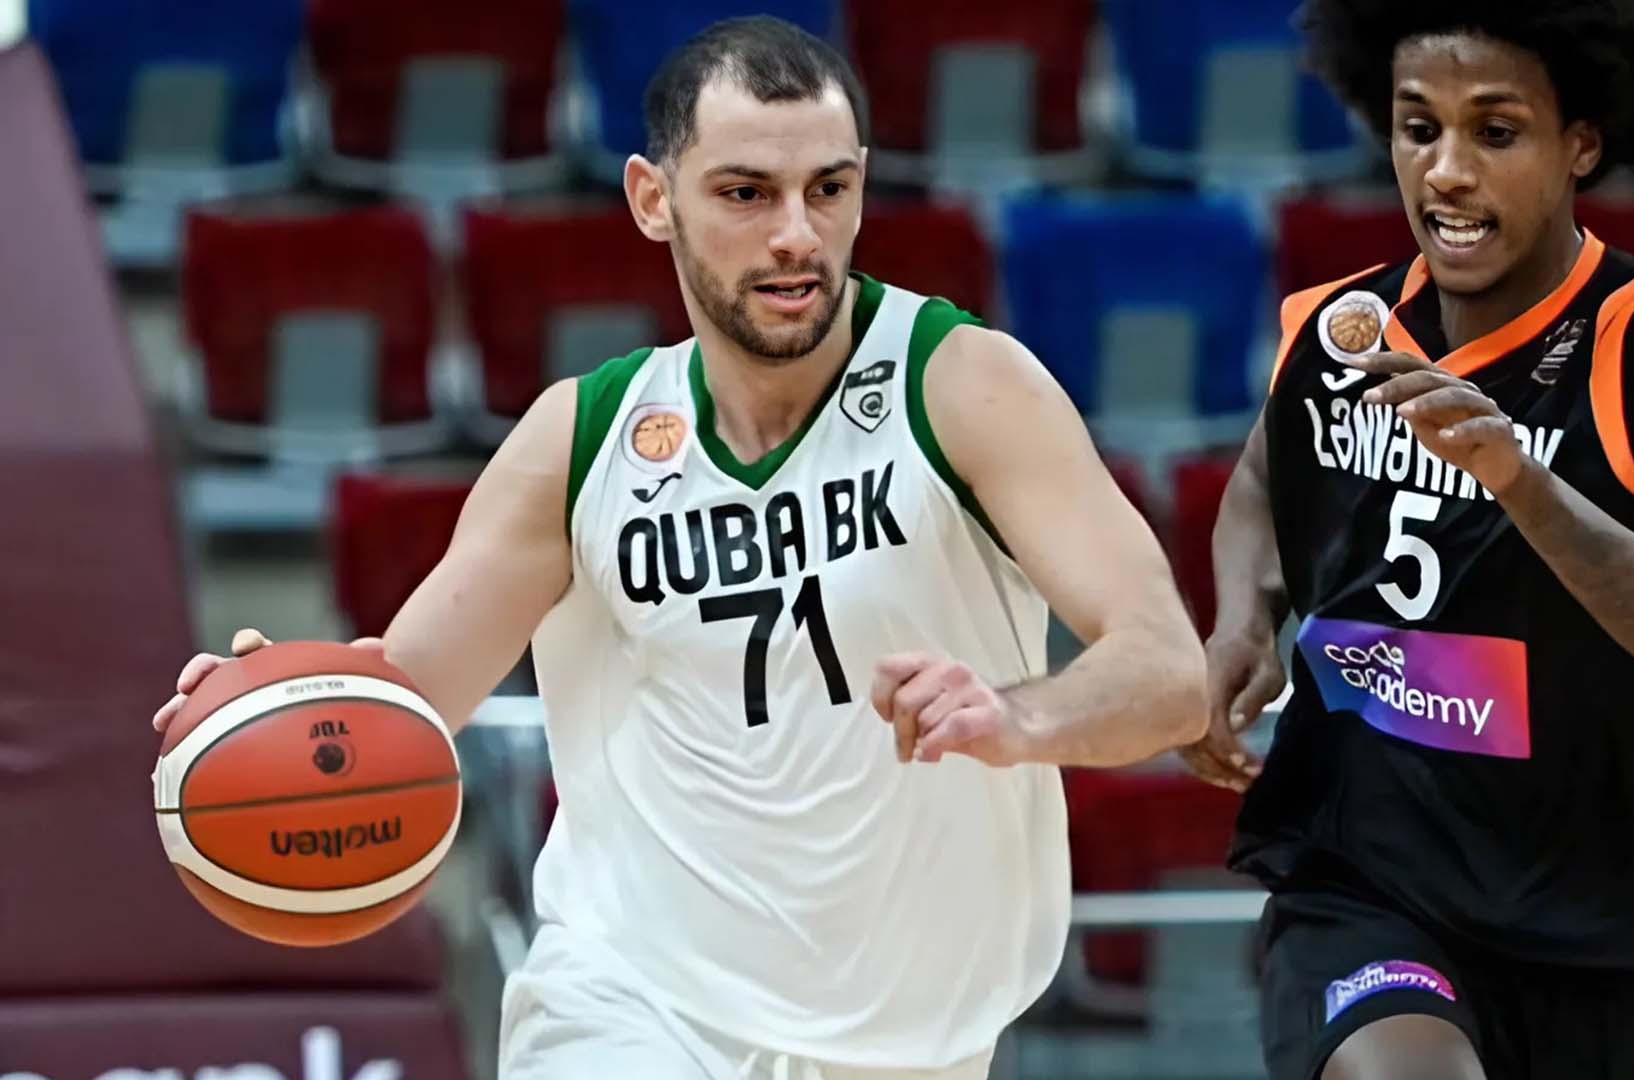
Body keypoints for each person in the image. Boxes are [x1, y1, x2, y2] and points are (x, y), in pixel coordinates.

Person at [153, 17, 1208, 1079]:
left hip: (909, 1034)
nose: (795, 234)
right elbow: (409, 696)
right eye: (745, 193)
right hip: (629, 1000)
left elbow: (1168, 671)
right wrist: (280, 702)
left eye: (828, 190)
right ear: (653, 200)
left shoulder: (963, 385)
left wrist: (1017, 716)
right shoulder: (582, 438)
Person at [1188, 2, 1634, 1077]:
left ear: (1580, 144)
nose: (1448, 172)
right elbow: (1265, 479)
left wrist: (1522, 484)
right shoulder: (1340, 330)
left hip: (1597, 921)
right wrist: (1243, 622)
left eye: (1495, 132)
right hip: (1362, 878)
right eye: (1419, 128)